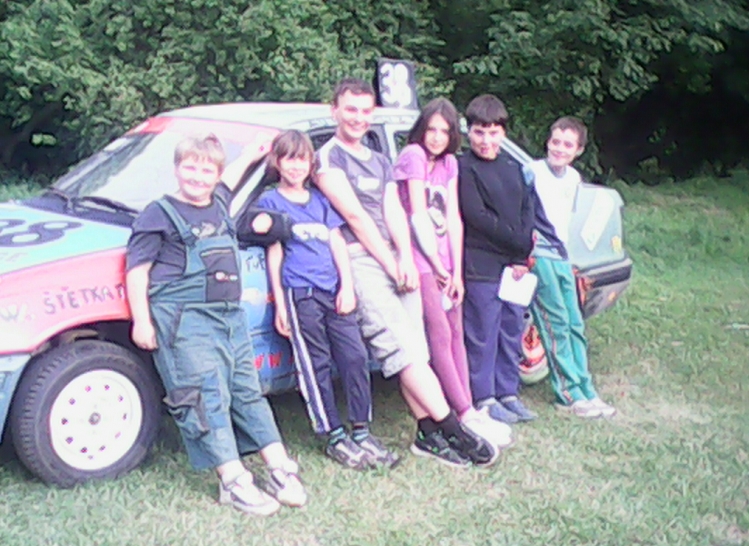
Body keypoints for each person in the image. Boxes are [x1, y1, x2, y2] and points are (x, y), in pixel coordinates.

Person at [315, 78, 495, 468]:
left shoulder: (380, 159)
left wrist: (406, 258)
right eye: (350, 109)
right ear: (334, 111)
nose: (358, 118)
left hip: (396, 258)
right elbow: (355, 218)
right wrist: (390, 262)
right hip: (362, 259)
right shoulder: (327, 158)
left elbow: (392, 210)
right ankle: (455, 430)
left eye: (365, 111)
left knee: (415, 350)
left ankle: (427, 434)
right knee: (402, 349)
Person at [125, 134, 308, 516]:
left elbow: (231, 178)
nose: (198, 176)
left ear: (216, 174)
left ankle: (278, 467)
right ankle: (233, 480)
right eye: (189, 167)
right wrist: (142, 321)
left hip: (229, 317)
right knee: (204, 396)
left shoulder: (219, 202)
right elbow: (137, 271)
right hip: (184, 319)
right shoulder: (158, 213)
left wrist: (252, 154)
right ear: (176, 168)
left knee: (247, 391)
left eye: (207, 170)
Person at [245, 129, 398, 470]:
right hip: (301, 293)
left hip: (333, 290)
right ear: (277, 162)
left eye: (302, 159)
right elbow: (274, 252)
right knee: (316, 363)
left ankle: (361, 430)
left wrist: (347, 286)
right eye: (289, 159)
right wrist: (281, 303)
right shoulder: (271, 202)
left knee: (355, 356)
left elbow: (337, 242)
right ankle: (333, 434)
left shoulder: (319, 200)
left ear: (311, 163)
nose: (296, 166)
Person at [392, 98, 512, 450]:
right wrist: (437, 266)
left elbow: (454, 218)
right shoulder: (413, 155)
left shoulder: (449, 164)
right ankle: (462, 412)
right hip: (421, 260)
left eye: (444, 132)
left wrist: (456, 271)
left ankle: (469, 408)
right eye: (431, 129)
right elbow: (417, 215)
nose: (436, 137)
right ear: (421, 129)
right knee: (440, 334)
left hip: (446, 262)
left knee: (456, 333)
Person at [458, 94, 565, 425]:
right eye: (479, 133)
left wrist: (522, 255)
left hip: (515, 265)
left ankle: (507, 393)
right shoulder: (464, 167)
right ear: (468, 132)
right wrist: (519, 241)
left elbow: (527, 210)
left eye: (493, 133)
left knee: (510, 330)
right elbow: (476, 215)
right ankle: (484, 398)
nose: (486, 141)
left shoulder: (514, 167)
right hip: (480, 265)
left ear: (503, 132)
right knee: (483, 333)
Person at [528, 117, 616, 418]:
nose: (559, 149)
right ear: (547, 142)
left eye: (567, 145)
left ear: (578, 150)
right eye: (555, 142)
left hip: (563, 258)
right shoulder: (532, 172)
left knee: (575, 324)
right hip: (539, 256)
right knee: (556, 325)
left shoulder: (573, 179)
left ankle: (586, 389)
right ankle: (568, 395)